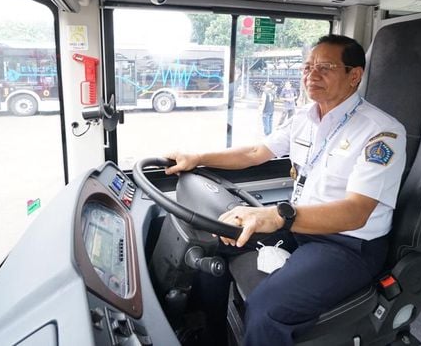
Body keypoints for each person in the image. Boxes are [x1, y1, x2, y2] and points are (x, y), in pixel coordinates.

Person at [166, 34, 407, 346]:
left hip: (348, 246)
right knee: (213, 242)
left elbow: (356, 212)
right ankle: (209, 336)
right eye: (307, 67)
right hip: (299, 227)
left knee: (266, 309)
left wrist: (278, 217)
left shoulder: (381, 132)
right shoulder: (304, 118)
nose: (311, 75)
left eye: (325, 67)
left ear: (354, 75)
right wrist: (198, 158)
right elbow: (255, 153)